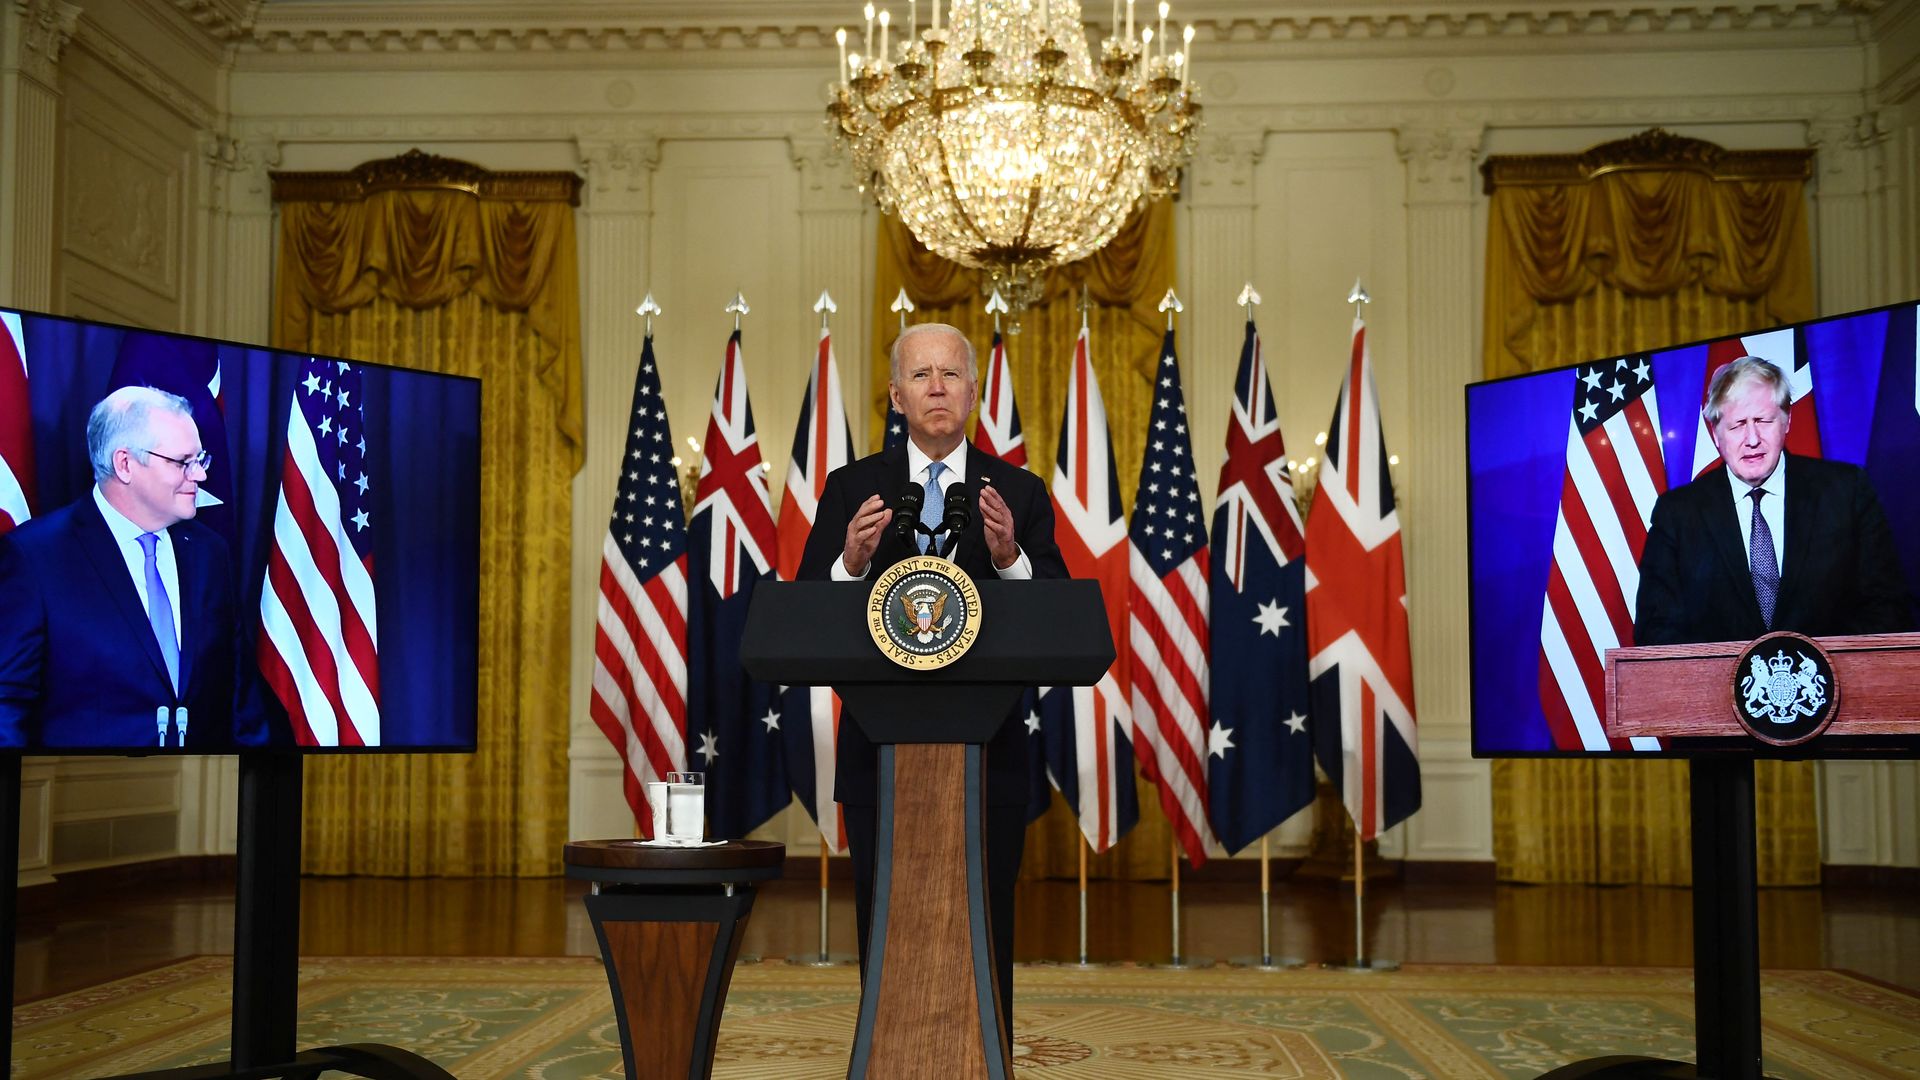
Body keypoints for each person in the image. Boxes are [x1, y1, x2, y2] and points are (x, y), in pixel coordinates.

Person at [797, 322, 1066, 1028]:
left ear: (974, 392)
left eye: (951, 374)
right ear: (895, 395)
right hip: (877, 751)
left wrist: (1010, 557)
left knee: (986, 912)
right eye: (921, 375)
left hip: (991, 753)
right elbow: (805, 614)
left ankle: (987, 1055)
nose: (938, 387)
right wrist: (849, 563)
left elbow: (1059, 615)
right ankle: (884, 1052)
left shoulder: (1019, 492)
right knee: (885, 913)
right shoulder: (853, 489)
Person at [0, 386, 250, 748]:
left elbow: (240, 696)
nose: (200, 476)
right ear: (125, 464)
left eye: (201, 460)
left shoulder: (209, 554)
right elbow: (7, 707)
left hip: (200, 791)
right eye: (183, 462)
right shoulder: (35, 558)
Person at [1635, 355, 1912, 646]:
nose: (1752, 439)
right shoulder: (1677, 514)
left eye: (1763, 421)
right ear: (1716, 433)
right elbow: (1656, 632)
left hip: (1832, 687)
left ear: (1786, 421)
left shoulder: (1846, 491)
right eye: (1738, 425)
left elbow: (1888, 608)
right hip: (1717, 690)